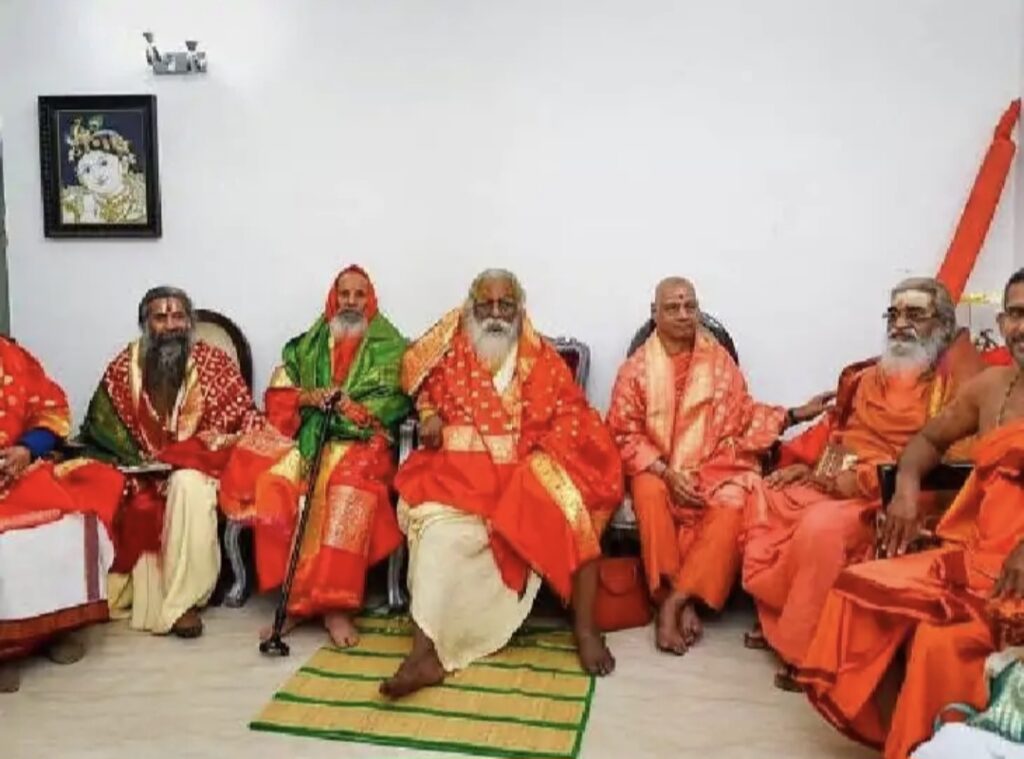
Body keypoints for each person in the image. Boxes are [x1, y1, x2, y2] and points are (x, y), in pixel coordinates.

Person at [798, 268, 1024, 759]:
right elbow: (928, 440)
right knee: (859, 586)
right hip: (977, 553)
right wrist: (905, 487)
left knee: (938, 643)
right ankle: (897, 738)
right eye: (1016, 314)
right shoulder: (992, 386)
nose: (1022, 327)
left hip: (1015, 568)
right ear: (1002, 322)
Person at [382, 268, 623, 698]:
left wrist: (541, 455)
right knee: (437, 537)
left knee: (569, 511)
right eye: (486, 305)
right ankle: (424, 654)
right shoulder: (453, 354)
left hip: (519, 482)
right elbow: (424, 388)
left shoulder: (541, 359)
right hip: (454, 482)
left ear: (519, 309)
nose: (495, 314)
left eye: (505, 305)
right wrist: (429, 415)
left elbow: (573, 413)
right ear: (471, 307)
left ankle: (586, 630)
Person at [741, 277, 984, 689]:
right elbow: (844, 434)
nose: (900, 324)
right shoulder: (870, 376)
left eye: (915, 314)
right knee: (766, 496)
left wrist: (867, 481)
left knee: (822, 528)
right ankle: (782, 620)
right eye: (894, 314)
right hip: (843, 481)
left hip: (899, 493)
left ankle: (805, 652)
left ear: (942, 324)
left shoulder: (955, 384)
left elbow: (955, 459)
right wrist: (818, 472)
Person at [606, 276, 831, 655]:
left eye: (690, 306)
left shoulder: (719, 362)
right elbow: (623, 433)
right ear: (654, 313)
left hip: (714, 467)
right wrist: (667, 473)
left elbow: (744, 415)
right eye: (673, 307)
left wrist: (793, 414)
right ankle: (673, 596)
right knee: (648, 490)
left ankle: (675, 602)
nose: (683, 314)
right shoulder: (635, 370)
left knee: (736, 501)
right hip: (659, 469)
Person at [235, 265, 410, 648]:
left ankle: (336, 607)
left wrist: (350, 407)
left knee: (346, 489)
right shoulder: (308, 344)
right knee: (276, 484)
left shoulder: (391, 347)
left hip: (364, 445)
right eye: (344, 294)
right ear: (334, 298)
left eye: (359, 295)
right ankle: (294, 603)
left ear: (370, 300)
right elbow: (279, 391)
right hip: (311, 437)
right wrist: (309, 397)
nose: (351, 302)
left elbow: (396, 401)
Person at [78, 286, 264, 639]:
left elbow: (244, 420)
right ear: (145, 324)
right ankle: (107, 597)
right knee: (103, 487)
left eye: (178, 316)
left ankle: (183, 604)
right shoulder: (124, 368)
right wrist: (135, 462)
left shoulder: (214, 363)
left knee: (187, 484)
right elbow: (99, 428)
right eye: (160, 317)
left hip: (199, 468)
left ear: (189, 322)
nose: (170, 325)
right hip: (138, 469)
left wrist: (192, 453)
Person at [0, 337, 125, 692]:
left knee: (72, 518)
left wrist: (27, 449)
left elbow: (51, 412)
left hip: (18, 470)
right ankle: (6, 651)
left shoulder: (12, 356)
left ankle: (56, 629)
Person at [60, 116, 147, 225]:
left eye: (103, 163)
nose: (97, 174)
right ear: (82, 180)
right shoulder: (76, 207)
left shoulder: (144, 194)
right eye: (87, 170)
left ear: (123, 163)